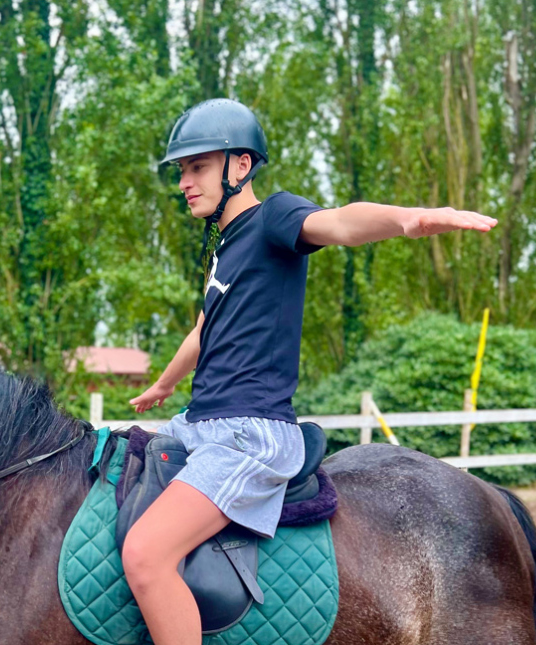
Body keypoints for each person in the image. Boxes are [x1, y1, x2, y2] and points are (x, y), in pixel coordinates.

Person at [120, 98, 497, 645]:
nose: (184, 181)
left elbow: (341, 222)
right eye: (182, 170)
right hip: (201, 422)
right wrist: (165, 384)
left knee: (147, 555)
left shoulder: (273, 218)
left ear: (240, 166)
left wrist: (409, 220)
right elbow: (206, 329)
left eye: (197, 167)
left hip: (250, 435)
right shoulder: (225, 248)